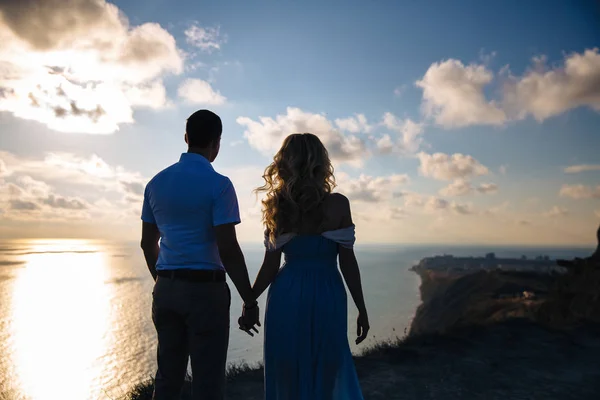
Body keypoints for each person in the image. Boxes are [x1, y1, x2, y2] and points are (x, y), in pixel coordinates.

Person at [140, 109, 260, 400]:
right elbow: (228, 248)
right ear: (216, 143)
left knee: (167, 379)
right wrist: (249, 299)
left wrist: (164, 280)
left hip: (166, 288)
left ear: (186, 138)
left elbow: (147, 244)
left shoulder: (156, 183)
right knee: (207, 383)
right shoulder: (220, 186)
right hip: (206, 293)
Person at [241, 133, 369, 399]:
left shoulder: (278, 207)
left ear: (285, 163)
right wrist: (362, 308)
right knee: (327, 362)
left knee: (286, 364)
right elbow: (347, 262)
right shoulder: (338, 204)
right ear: (321, 163)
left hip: (286, 294)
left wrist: (249, 302)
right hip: (327, 291)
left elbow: (269, 267)